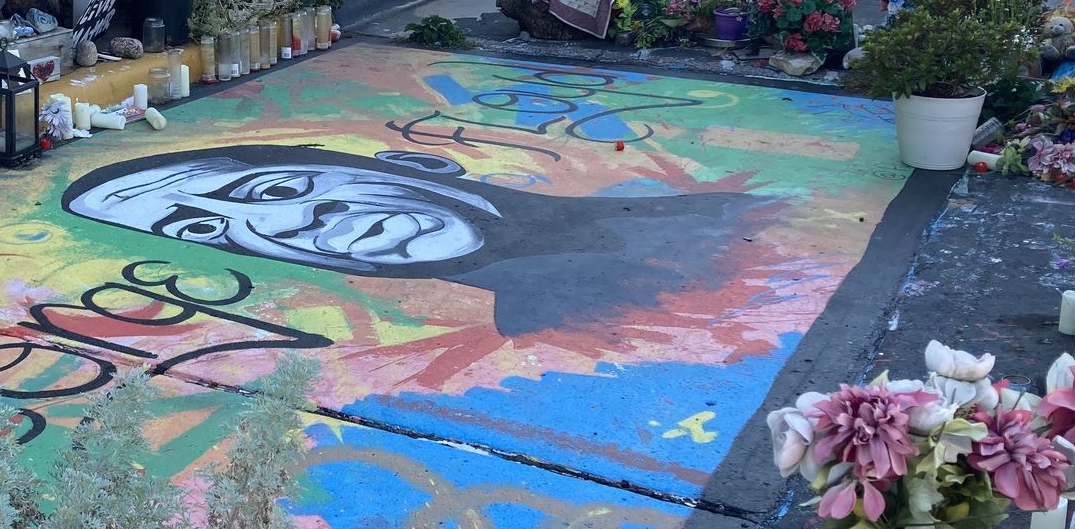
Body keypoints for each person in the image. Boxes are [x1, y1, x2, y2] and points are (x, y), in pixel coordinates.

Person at [61, 145, 777, 337]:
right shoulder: (547, 321)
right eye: (207, 234)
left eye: (273, 191)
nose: (280, 228)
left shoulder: (716, 232)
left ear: (417, 162)